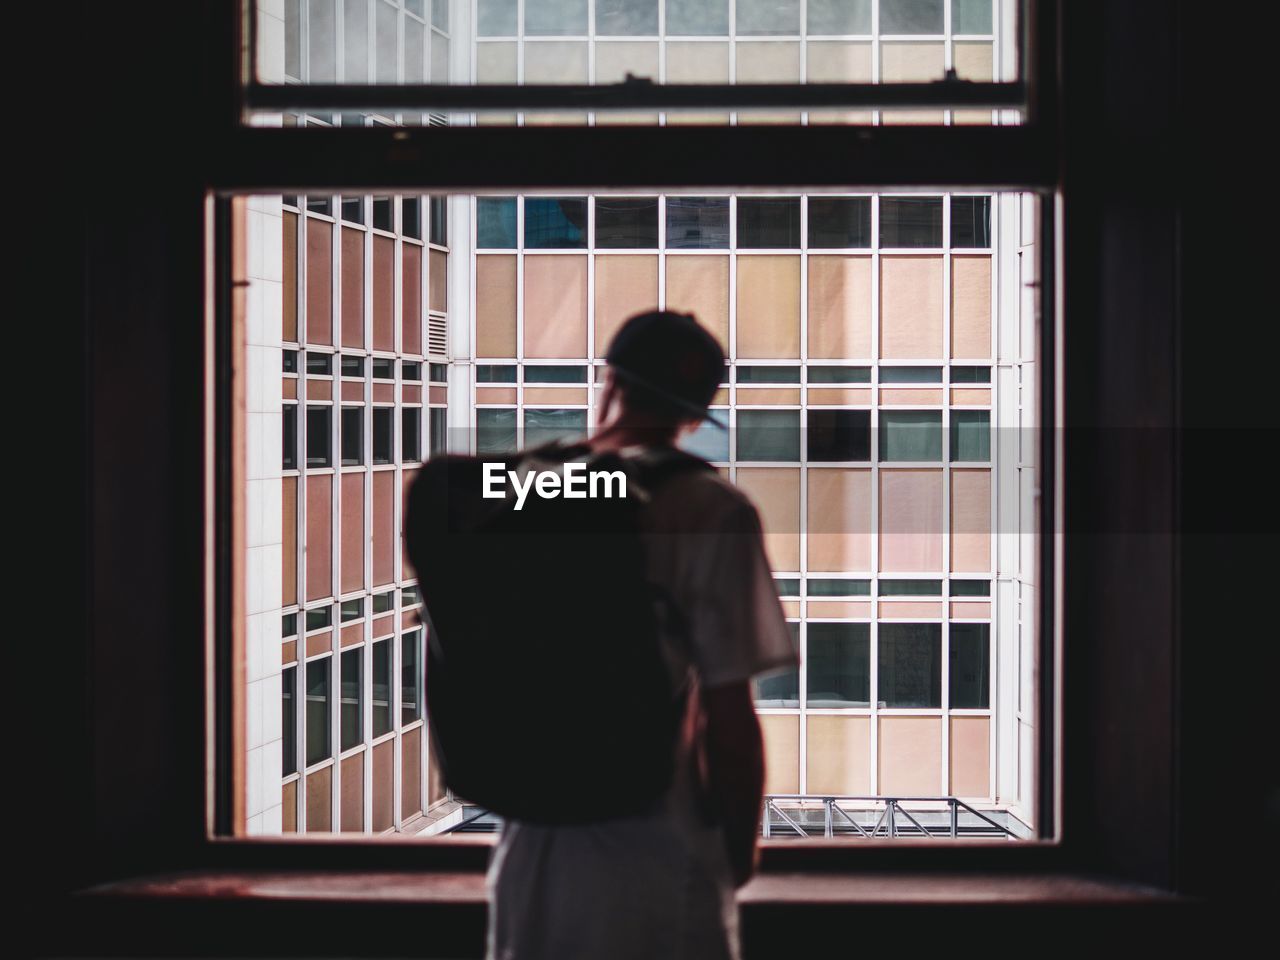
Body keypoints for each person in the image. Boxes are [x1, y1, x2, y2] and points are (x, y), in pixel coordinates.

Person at [486, 310, 798, 960]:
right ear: (695, 415)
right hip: (655, 844)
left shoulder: (520, 487)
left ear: (609, 383)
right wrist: (736, 853)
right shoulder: (711, 510)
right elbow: (728, 719)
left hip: (529, 845)